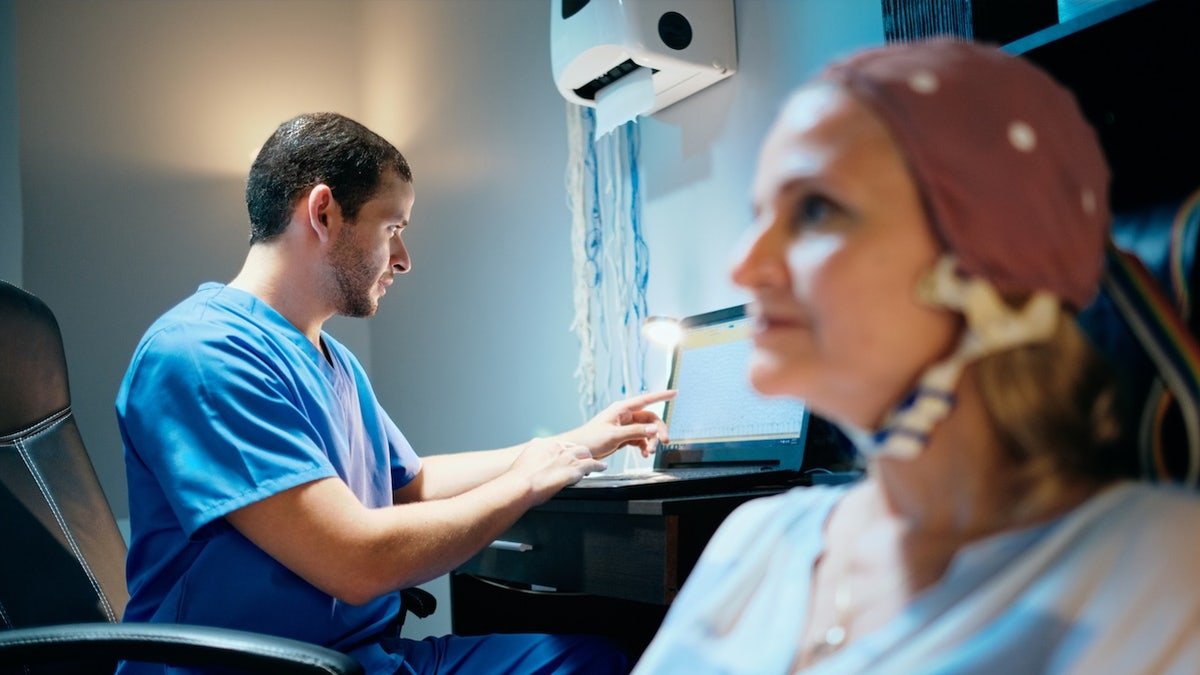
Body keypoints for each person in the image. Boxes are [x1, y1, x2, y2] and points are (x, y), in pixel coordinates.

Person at [633, 38, 1200, 673]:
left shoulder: (1159, 578)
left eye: (815, 209)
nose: (743, 264)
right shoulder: (756, 540)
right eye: (759, 212)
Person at [116, 112, 674, 675]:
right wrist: (523, 483)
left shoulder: (333, 360)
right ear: (324, 212)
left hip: (361, 658)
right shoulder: (202, 354)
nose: (403, 258)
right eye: (392, 228)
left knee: (594, 657)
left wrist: (574, 444)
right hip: (262, 669)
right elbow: (356, 560)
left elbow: (409, 484)